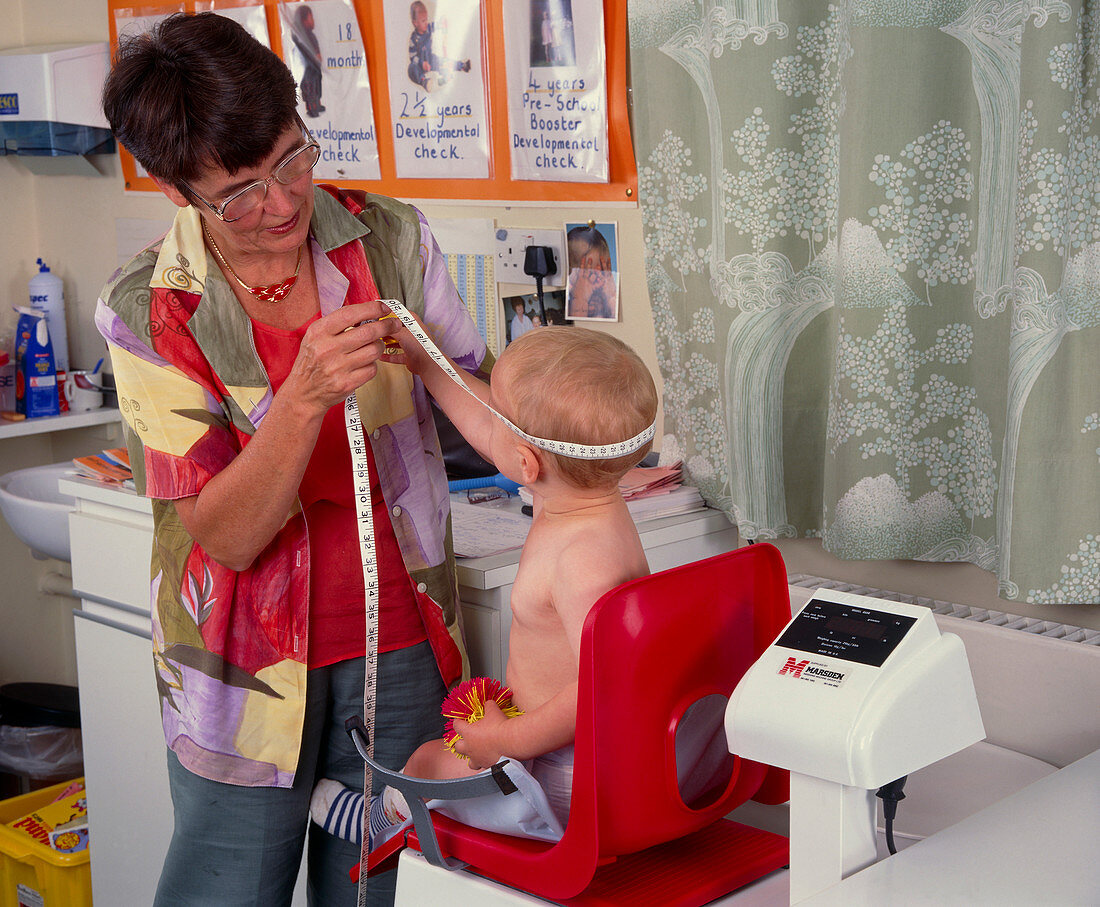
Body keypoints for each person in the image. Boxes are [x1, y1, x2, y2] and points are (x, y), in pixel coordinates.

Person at [97, 12, 491, 906]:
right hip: (240, 673)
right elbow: (226, 537)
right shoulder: (149, 309)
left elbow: (477, 393)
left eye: (291, 160)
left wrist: (586, 450)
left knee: (387, 891)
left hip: (401, 646)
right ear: (176, 191)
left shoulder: (388, 239)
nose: (281, 204)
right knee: (229, 890)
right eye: (239, 193)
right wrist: (304, 395)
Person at [311, 326, 659, 842]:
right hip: (559, 752)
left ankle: (379, 820)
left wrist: (507, 739)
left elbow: (602, 686)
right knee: (440, 756)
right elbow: (484, 425)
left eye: (499, 418)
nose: (486, 421)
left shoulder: (582, 561)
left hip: (559, 775)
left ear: (525, 464)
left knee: (428, 759)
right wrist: (427, 363)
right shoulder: (589, 505)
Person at [407, 0, 470, 91]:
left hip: (430, 59)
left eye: (427, 19)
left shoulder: (428, 28)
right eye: (423, 21)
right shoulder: (414, 39)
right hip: (420, 65)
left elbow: (436, 25)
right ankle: (424, 81)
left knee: (442, 61)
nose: (426, 22)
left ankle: (461, 65)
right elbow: (412, 57)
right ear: (415, 23)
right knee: (411, 69)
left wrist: (442, 23)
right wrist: (422, 63)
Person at [566, 224, 616, 320]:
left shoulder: (606, 302)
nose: (599, 282)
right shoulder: (569, 305)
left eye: (604, 273)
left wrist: (612, 297)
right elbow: (579, 330)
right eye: (589, 274)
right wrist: (580, 299)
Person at [290, 5, 324, 118]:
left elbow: (315, 47)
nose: (313, 21)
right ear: (303, 20)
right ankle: (311, 107)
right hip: (308, 68)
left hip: (315, 67)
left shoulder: (310, 35)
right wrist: (314, 57)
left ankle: (317, 104)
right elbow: (305, 52)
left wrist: (318, 55)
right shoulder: (300, 37)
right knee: (310, 88)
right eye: (310, 18)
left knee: (317, 85)